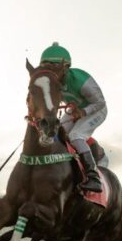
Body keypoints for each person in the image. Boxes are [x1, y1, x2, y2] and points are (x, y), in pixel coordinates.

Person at [39, 42, 107, 192]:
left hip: (96, 110)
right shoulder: (52, 83)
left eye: (53, 68)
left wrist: (83, 112)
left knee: (76, 136)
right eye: (46, 68)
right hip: (74, 109)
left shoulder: (80, 80)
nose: (49, 73)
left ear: (65, 67)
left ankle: (93, 177)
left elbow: (100, 102)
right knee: (55, 132)